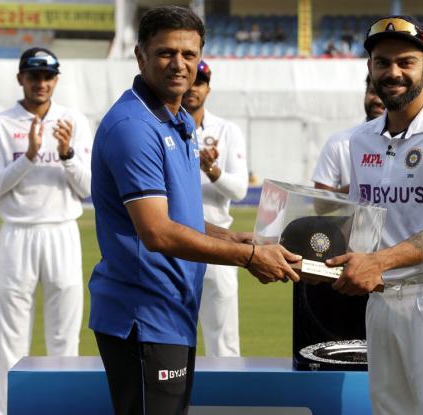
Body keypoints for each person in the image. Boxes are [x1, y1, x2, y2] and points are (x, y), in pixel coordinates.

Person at [88, 6, 300, 415]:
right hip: (143, 315)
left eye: (189, 54)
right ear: (140, 56)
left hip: (171, 309)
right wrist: (250, 256)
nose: (179, 64)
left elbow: (177, 217)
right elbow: (157, 232)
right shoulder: (134, 126)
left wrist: (230, 236)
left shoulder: (177, 119)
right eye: (166, 52)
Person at [327, 15, 423, 414]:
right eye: (382, 62)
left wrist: (376, 262)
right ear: (370, 68)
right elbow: (363, 223)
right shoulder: (360, 139)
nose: (393, 72)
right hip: (381, 302)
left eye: (405, 62)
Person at [0, 47, 92, 415]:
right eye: (33, 76)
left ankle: (64, 409)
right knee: (9, 339)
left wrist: (66, 154)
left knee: (64, 335)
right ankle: (6, 411)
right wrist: (28, 157)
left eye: (47, 77)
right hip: (17, 233)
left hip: (62, 231)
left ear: (56, 80)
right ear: (20, 79)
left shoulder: (73, 120)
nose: (41, 83)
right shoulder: (0, 124)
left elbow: (88, 188)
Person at [183, 60, 249, 357]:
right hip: (174, 243)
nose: (193, 88)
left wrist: (213, 172)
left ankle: (226, 401)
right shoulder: (160, 128)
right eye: (190, 81)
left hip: (219, 241)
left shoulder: (227, 130)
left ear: (208, 88)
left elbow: (240, 190)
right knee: (172, 337)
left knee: (223, 341)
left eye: (200, 82)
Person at [311, 74, 384, 194]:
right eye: (372, 92)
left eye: (384, 94)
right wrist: (360, 187)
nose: (378, 100)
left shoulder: (416, 141)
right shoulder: (339, 143)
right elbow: (320, 205)